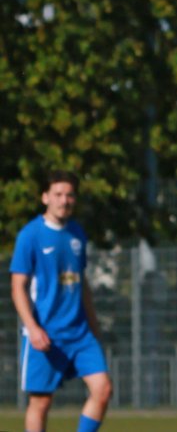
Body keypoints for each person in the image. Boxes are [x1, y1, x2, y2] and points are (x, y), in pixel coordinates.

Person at [10, 171, 112, 432]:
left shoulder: (77, 233)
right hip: (45, 334)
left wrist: (94, 324)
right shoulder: (30, 235)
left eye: (69, 195)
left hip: (79, 333)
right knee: (41, 403)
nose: (64, 200)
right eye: (57, 194)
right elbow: (18, 287)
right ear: (45, 197)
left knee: (102, 390)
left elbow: (82, 282)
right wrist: (32, 328)